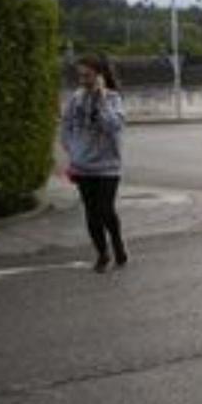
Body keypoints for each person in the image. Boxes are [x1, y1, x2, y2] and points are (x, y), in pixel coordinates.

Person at [60, 55, 128, 273]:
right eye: (80, 75)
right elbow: (66, 126)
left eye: (87, 75)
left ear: (99, 76)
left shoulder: (114, 98)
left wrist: (101, 98)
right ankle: (102, 253)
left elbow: (113, 126)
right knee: (91, 212)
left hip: (108, 166)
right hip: (82, 166)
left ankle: (117, 242)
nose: (82, 80)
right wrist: (74, 150)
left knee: (106, 209)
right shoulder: (75, 99)